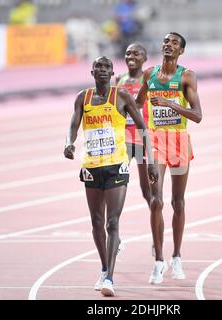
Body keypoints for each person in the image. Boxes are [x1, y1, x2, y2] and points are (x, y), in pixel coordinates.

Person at [64, 56, 158, 296]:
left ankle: (109, 278)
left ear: (111, 72)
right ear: (92, 72)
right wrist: (69, 144)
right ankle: (104, 266)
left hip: (117, 165)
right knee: (96, 222)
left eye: (107, 67)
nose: (103, 70)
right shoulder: (82, 98)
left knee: (112, 222)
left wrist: (150, 162)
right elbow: (74, 125)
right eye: (99, 67)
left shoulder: (122, 96)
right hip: (91, 166)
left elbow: (141, 127)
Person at [136, 32, 202, 285]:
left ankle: (176, 256)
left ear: (181, 51)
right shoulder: (149, 74)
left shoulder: (186, 76)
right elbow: (138, 102)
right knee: (156, 201)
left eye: (175, 42)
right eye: (166, 41)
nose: (168, 44)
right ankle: (158, 261)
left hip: (179, 140)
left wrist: (171, 104)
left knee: (178, 202)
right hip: (156, 142)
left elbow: (197, 115)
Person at [115, 43, 151, 209]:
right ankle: (114, 227)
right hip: (124, 140)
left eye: (136, 54)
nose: (131, 57)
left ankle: (157, 226)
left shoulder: (149, 80)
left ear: (144, 59)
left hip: (143, 139)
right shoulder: (119, 79)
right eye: (128, 53)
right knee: (118, 184)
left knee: (148, 191)